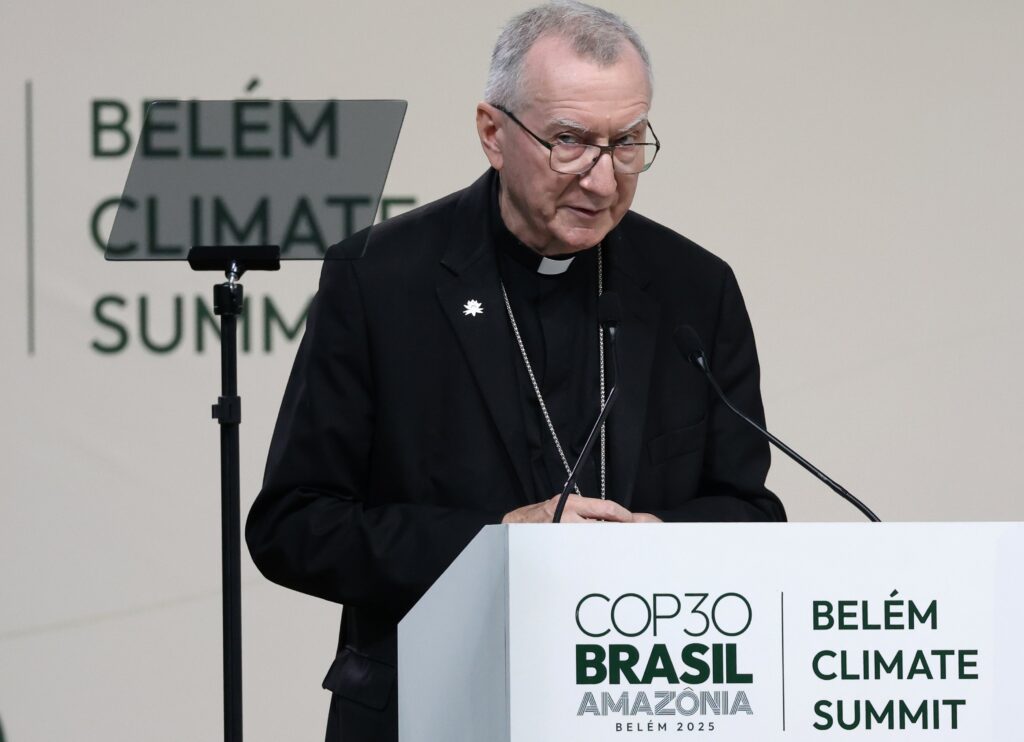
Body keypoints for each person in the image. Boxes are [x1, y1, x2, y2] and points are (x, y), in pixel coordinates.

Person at [246, 2, 786, 739]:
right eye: (569, 143)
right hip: (428, 708)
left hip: (638, 710)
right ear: (493, 133)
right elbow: (293, 525)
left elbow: (751, 515)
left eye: (626, 144)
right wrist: (494, 543)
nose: (603, 181)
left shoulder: (695, 288)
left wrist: (656, 541)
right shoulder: (380, 279)